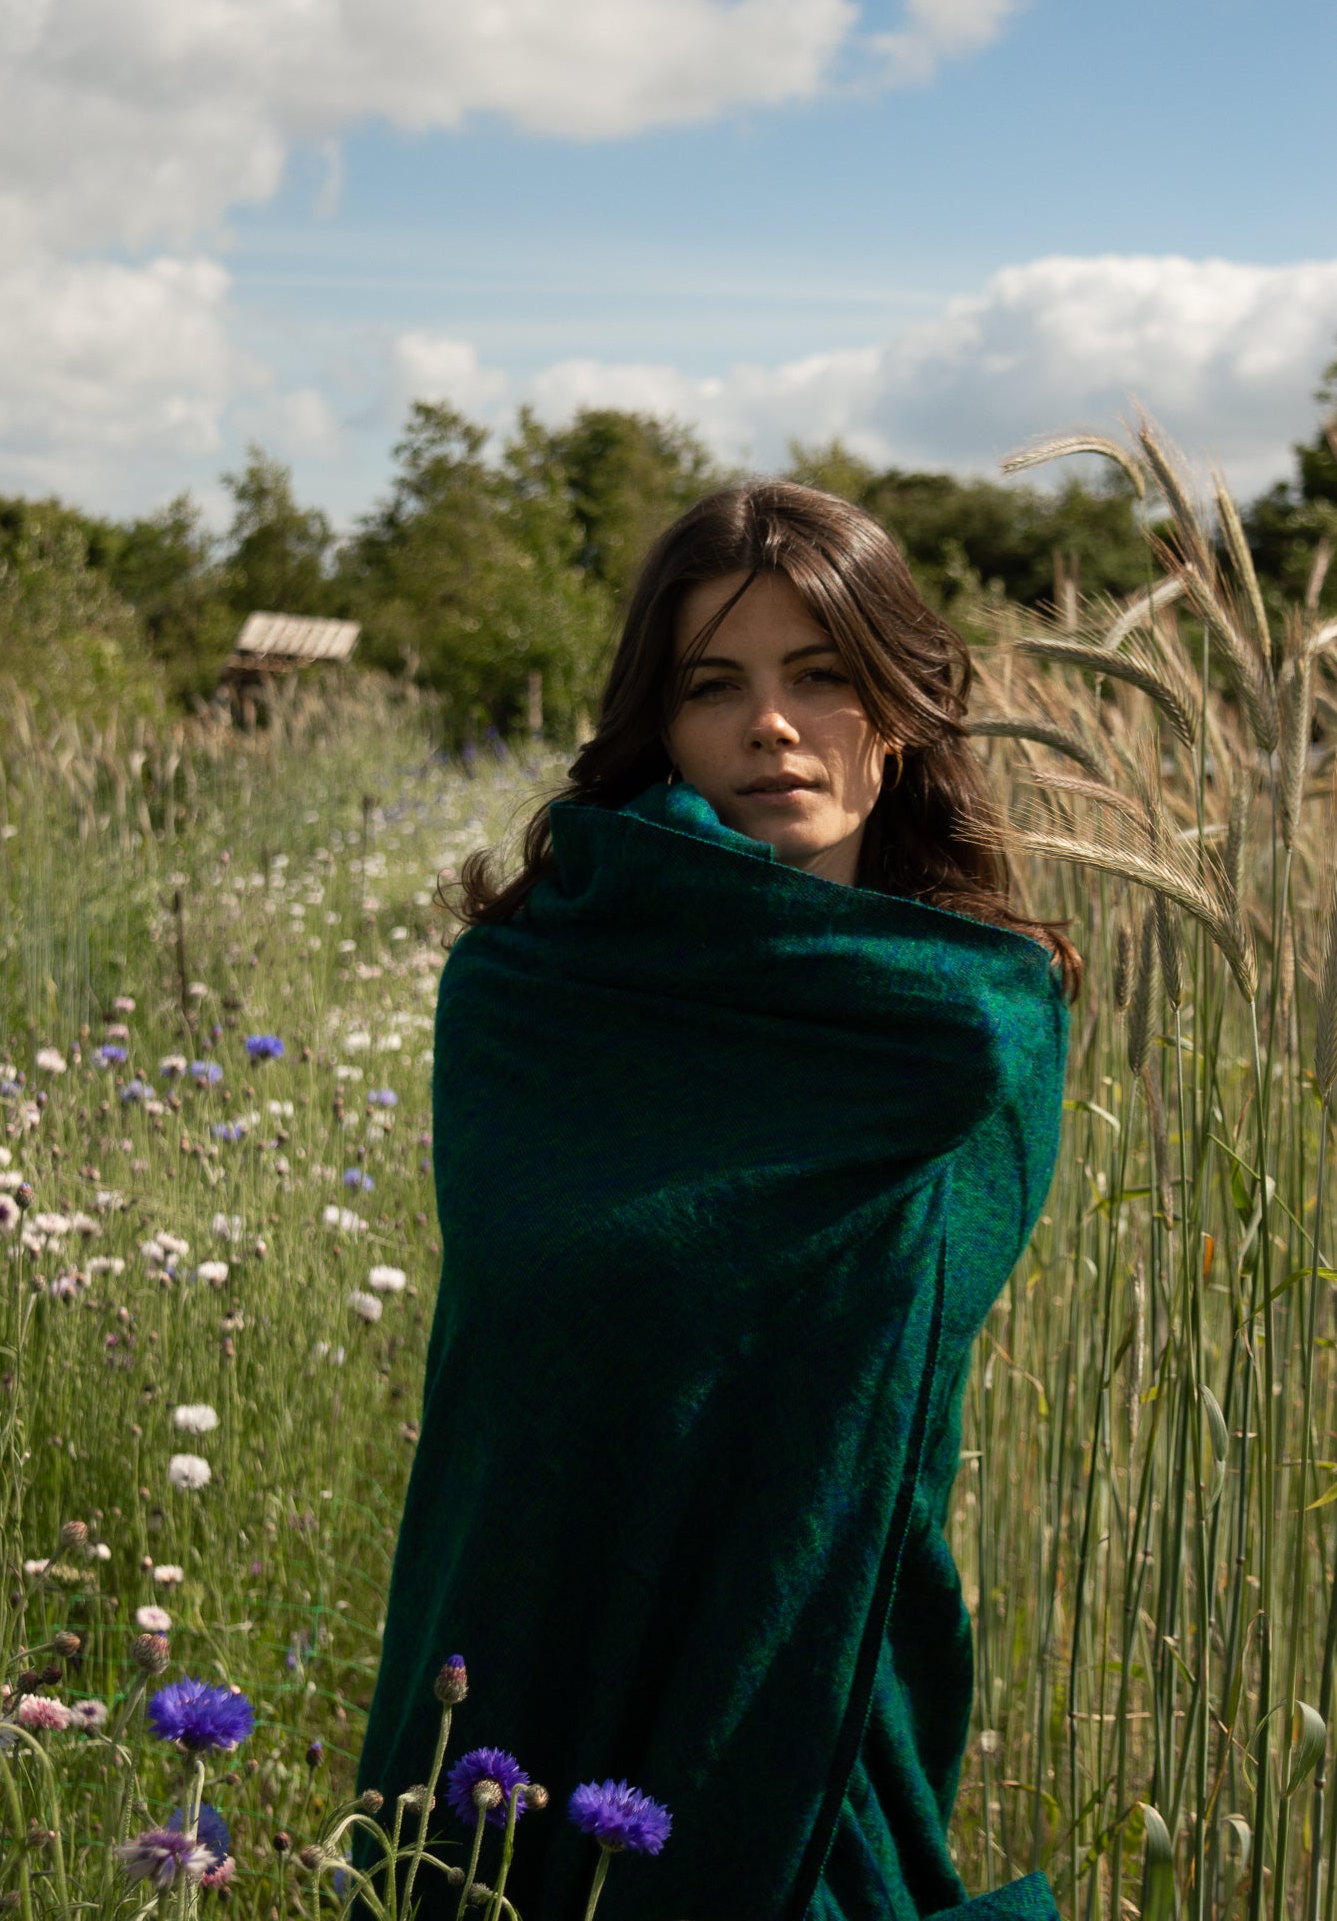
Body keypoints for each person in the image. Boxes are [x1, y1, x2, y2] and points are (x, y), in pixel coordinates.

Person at [356, 481, 1076, 1921]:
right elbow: (528, 1337)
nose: (771, 726)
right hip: (529, 1621)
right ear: (659, 723)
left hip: (819, 1650)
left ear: (898, 704)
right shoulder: (532, 995)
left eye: (820, 676)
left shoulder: (978, 1024)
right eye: (715, 685)